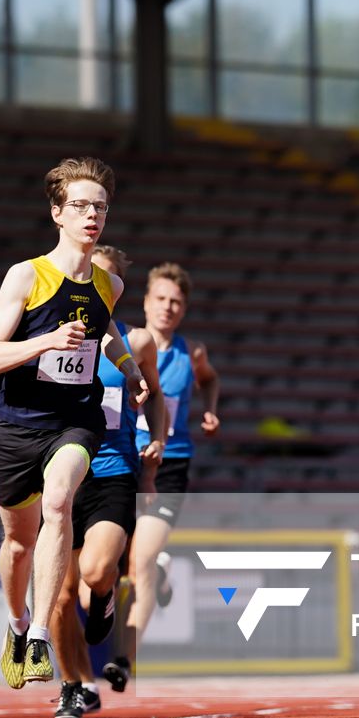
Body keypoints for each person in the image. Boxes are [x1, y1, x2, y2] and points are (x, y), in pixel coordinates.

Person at [0, 157, 161, 691]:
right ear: (57, 212)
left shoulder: (111, 285)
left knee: (58, 502)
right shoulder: (27, 275)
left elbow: (106, 333)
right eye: (79, 205)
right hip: (16, 425)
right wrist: (46, 342)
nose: (91, 215)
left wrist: (128, 371)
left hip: (74, 422)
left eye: (100, 207)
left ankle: (38, 633)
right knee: (17, 543)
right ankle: (16, 625)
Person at [51, 244, 163, 718]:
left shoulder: (135, 344)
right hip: (58, 475)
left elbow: (154, 396)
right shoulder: (56, 334)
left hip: (111, 470)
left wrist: (156, 438)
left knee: (97, 574)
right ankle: (75, 686)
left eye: (102, 281)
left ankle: (104, 601)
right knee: (56, 596)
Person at [114, 260, 220, 692]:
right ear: (145, 302)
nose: (168, 307)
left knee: (139, 566)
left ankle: (123, 660)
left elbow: (210, 380)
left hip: (170, 465)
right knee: (110, 571)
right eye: (160, 298)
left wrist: (210, 408)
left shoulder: (191, 353)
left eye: (176, 302)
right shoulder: (123, 346)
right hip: (121, 460)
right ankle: (160, 572)